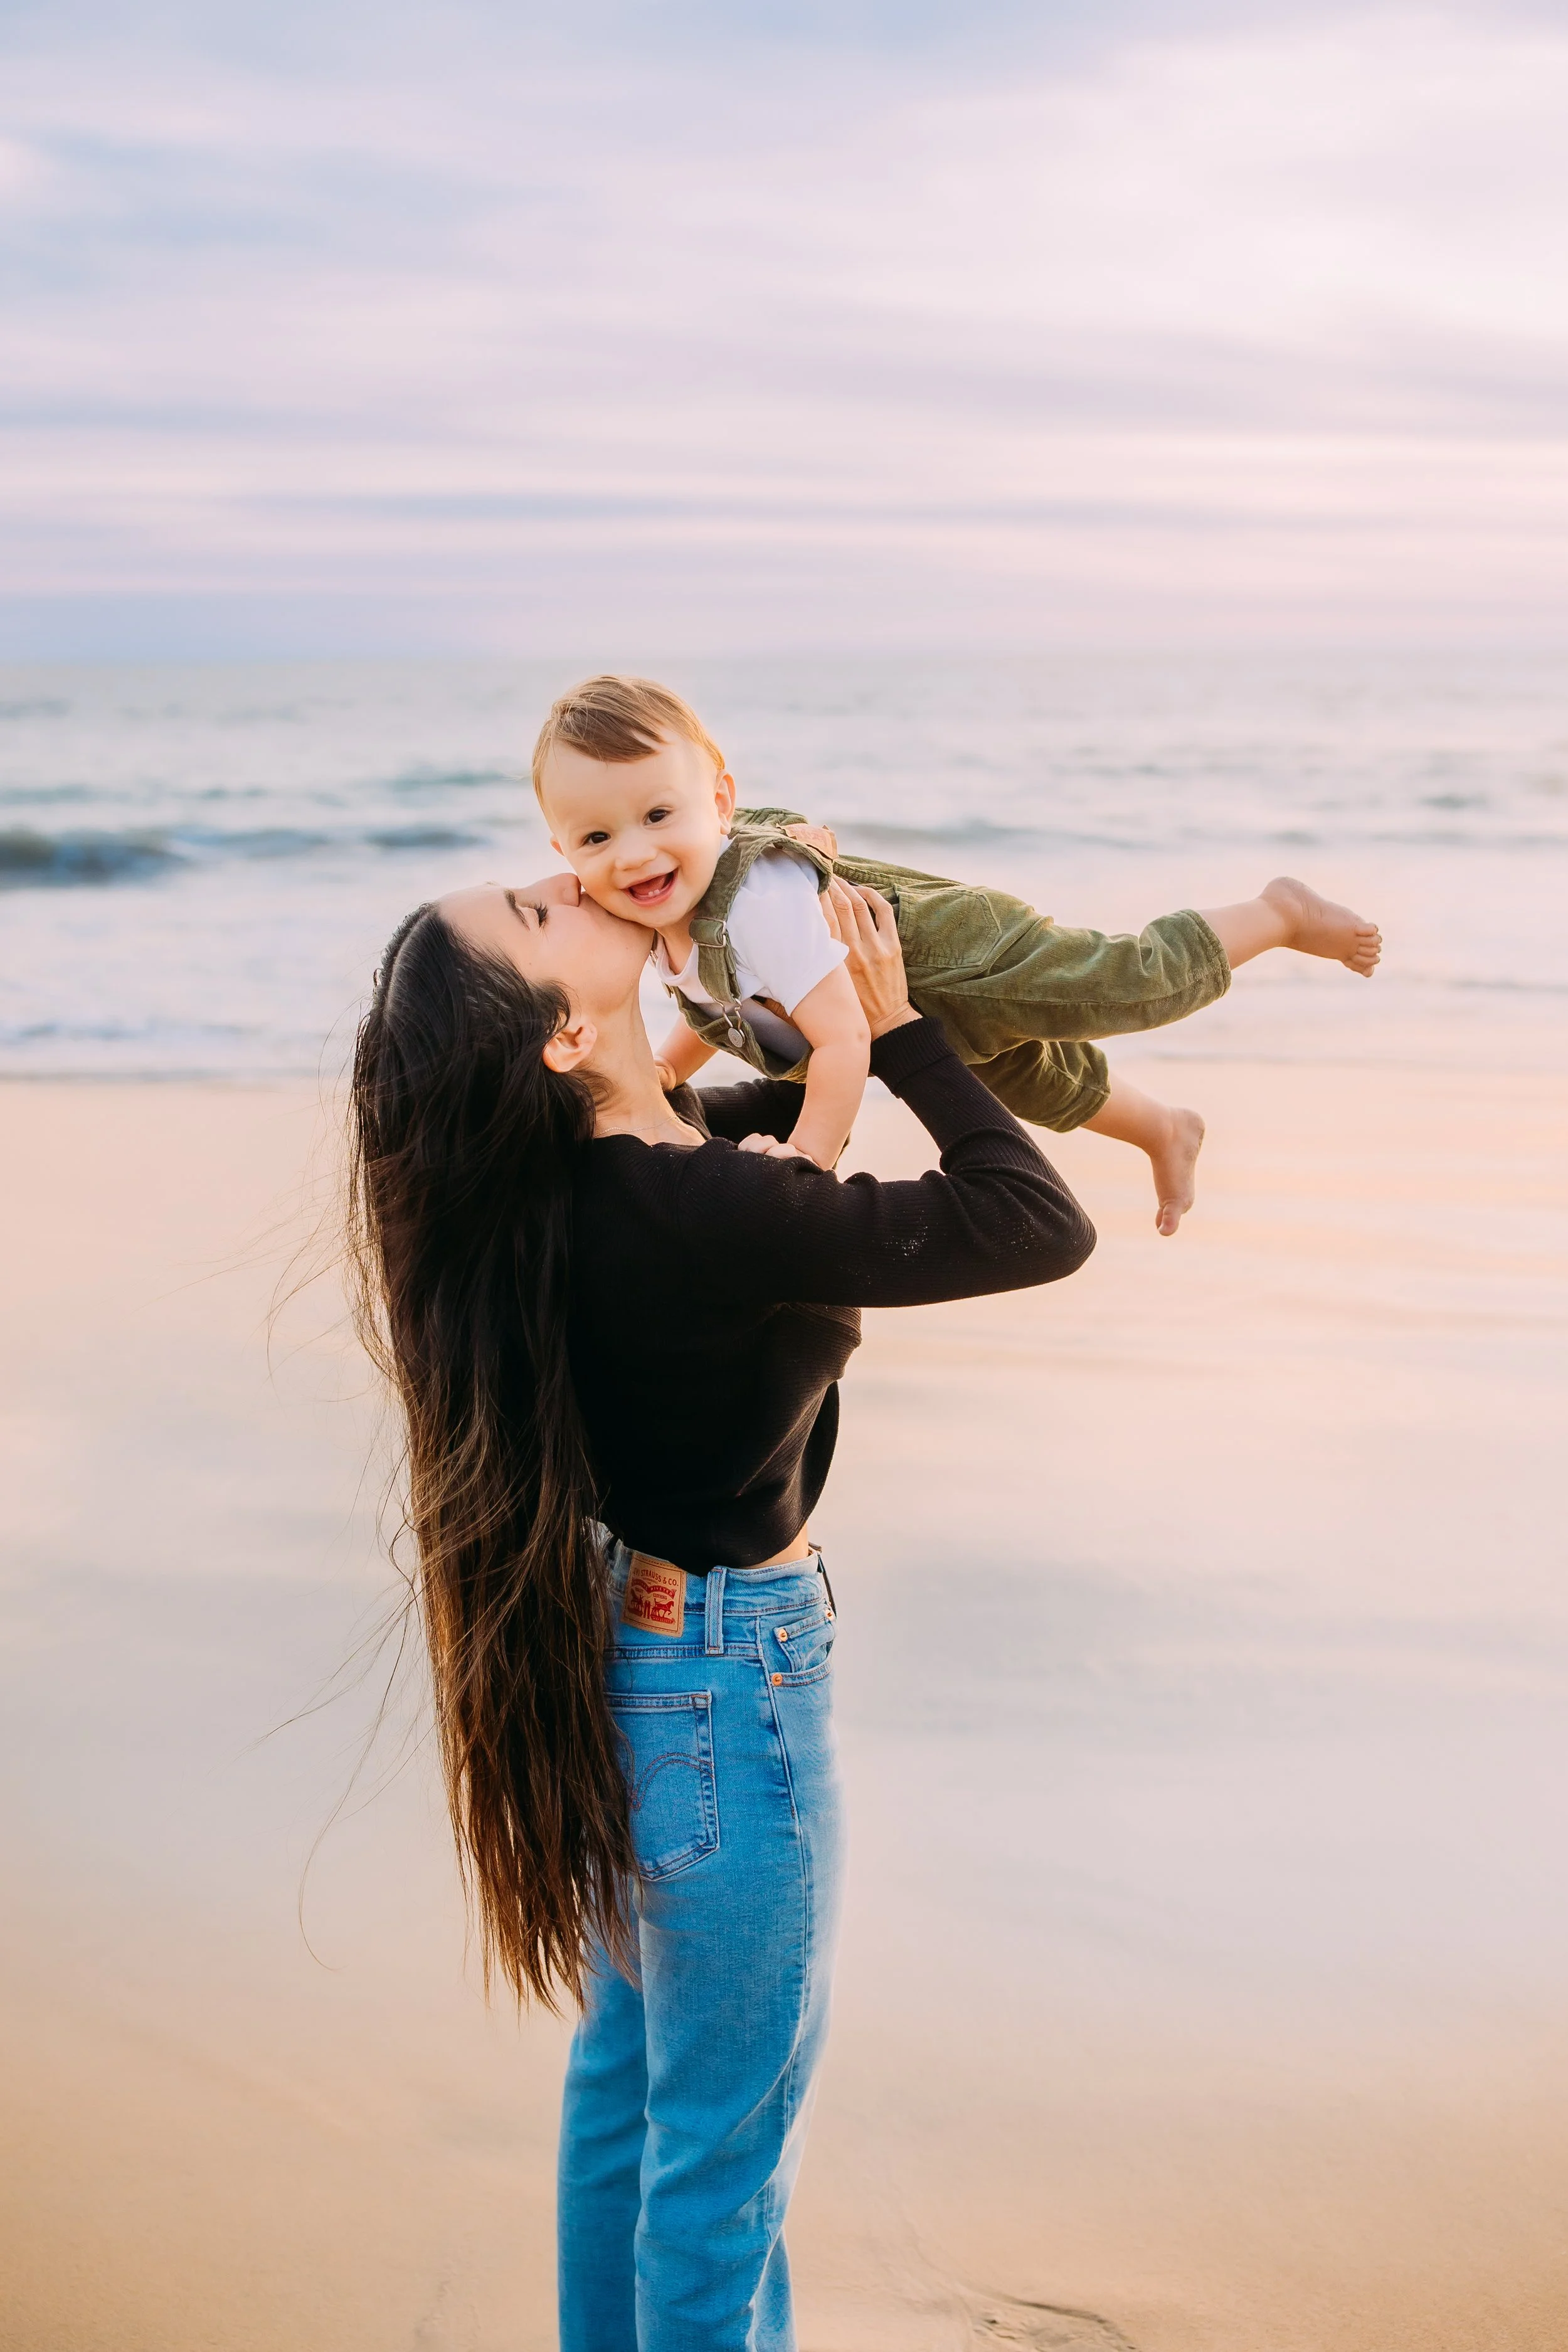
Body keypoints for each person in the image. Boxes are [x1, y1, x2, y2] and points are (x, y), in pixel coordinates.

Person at [346, 864, 1094, 2350]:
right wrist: (903, 1031)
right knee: (718, 2164)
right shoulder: (699, 1204)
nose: (568, 876)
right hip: (724, 1691)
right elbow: (1033, 1222)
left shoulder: (594, 1181)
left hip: (627, 1670)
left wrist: (787, 1002)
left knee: (633, 2099)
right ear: (562, 1036)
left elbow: (756, 1121)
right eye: (540, 914)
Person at [531, 673, 1383, 1234]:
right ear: (562, 848)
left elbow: (843, 1040)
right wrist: (669, 1071)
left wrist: (809, 1155)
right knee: (1031, 1081)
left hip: (959, 958)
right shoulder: (658, 915)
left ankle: (1277, 913)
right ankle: (1164, 1126)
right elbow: (719, 1005)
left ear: (718, 802)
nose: (633, 854)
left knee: (1126, 987)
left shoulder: (754, 904)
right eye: (597, 836)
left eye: (658, 815)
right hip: (917, 1006)